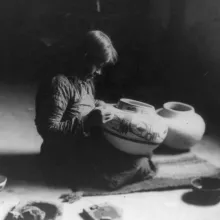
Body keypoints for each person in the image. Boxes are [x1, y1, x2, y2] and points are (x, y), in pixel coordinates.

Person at [35, 30, 156, 190]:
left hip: (83, 144)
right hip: (62, 153)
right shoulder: (58, 83)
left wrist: (99, 105)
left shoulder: (85, 79)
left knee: (140, 155)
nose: (99, 71)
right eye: (98, 65)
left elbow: (82, 104)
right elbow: (48, 130)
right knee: (135, 165)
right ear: (84, 56)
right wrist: (87, 122)